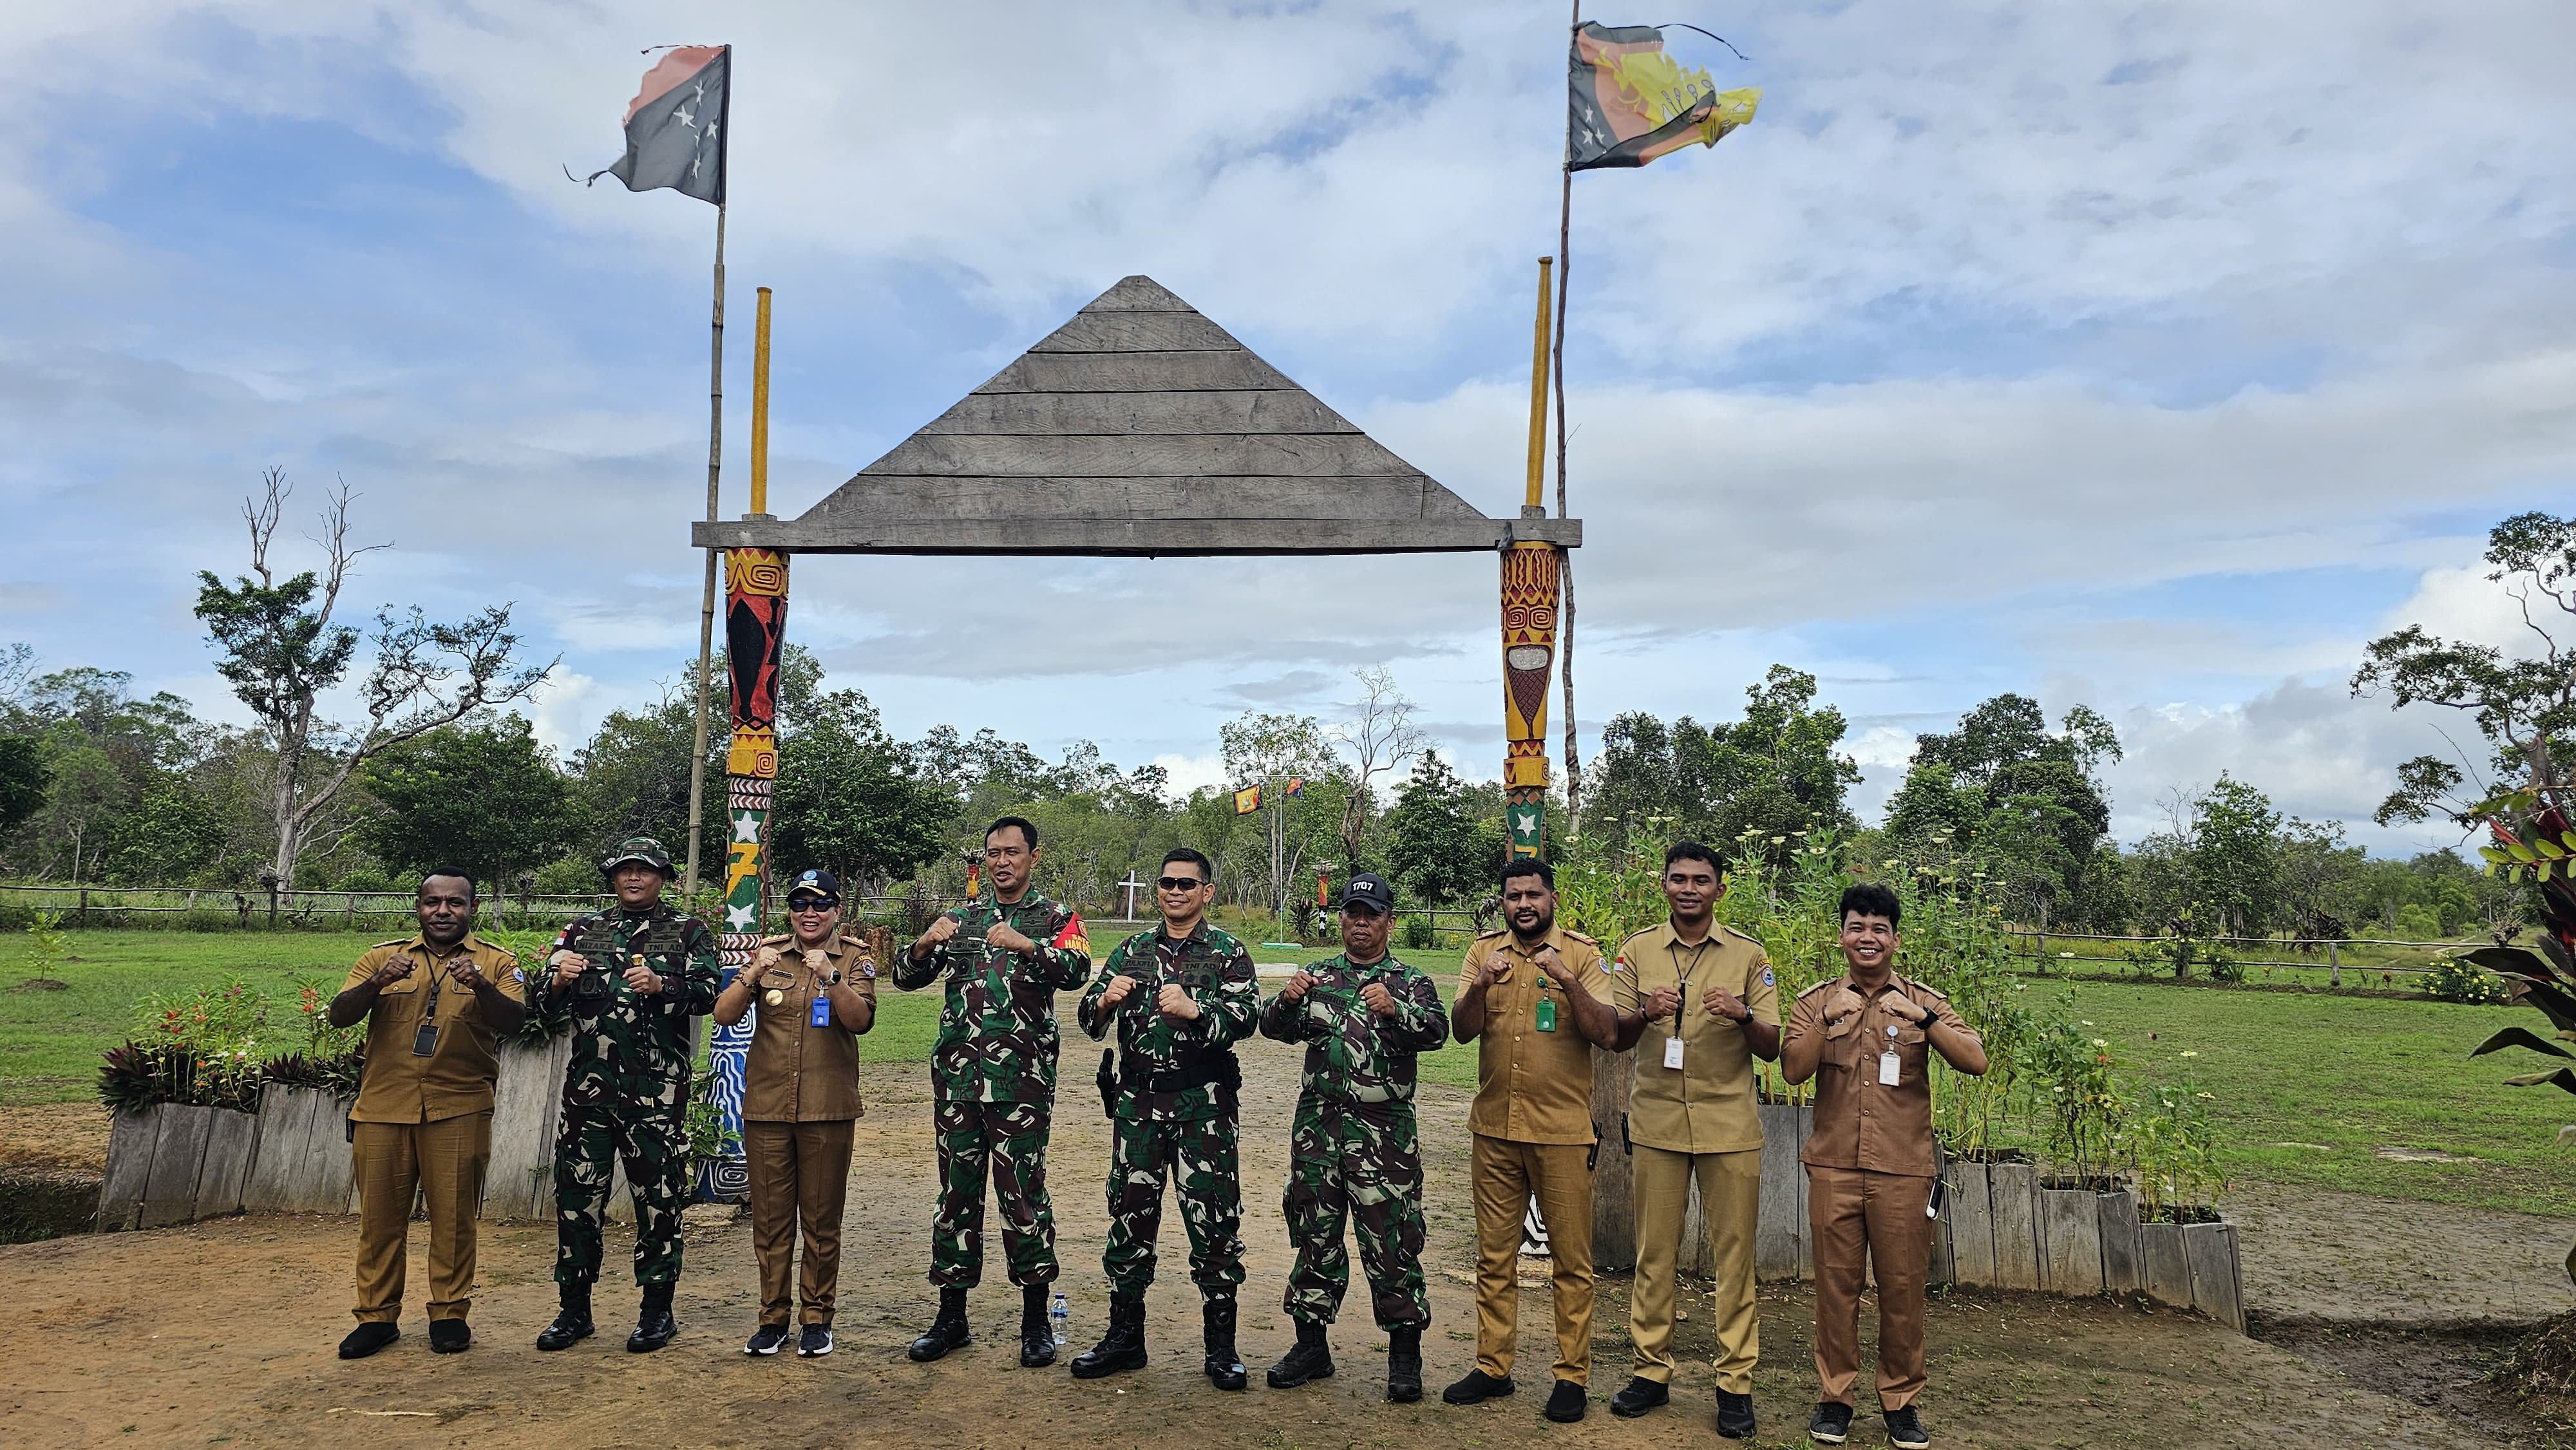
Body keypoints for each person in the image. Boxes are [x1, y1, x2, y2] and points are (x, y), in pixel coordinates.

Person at [1781, 882, 1988, 1450]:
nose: (1867, 937)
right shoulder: (1816, 1001)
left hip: (1904, 1170)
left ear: (1896, 939)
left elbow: (1976, 1060)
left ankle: (1900, 1402)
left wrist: (1924, 1019)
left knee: (1902, 1290)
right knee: (1835, 1289)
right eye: (1857, 926)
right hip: (1835, 1168)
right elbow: (1792, 1070)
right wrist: (1826, 1021)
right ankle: (1834, 1400)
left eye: (1879, 928)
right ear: (1842, 935)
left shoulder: (1924, 1000)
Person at [896, 815, 1094, 1368]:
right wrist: (921, 945)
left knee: (1022, 1196)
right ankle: (951, 1316)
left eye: (1011, 852)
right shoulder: (961, 920)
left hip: (1020, 1086)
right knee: (957, 1197)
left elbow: (1077, 970)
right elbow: (905, 979)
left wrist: (1028, 945)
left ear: (1034, 856)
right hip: (958, 1081)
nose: (1001, 861)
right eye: (993, 853)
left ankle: (1035, 1320)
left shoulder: (1057, 917)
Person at [1604, 841, 1780, 1436]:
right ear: (1664, 885)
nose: (1688, 889)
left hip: (1729, 1125)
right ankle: (1651, 1372)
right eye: (1678, 879)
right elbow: (1615, 1036)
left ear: (1719, 889)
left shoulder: (1750, 957)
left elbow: (1774, 1046)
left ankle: (1735, 1384)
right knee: (1655, 1254)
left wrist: (1743, 1015)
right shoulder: (1636, 952)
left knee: (1735, 1259)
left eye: (1701, 880)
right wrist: (1644, 1014)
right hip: (1656, 1123)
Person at [1068, 847, 1260, 1388]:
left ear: (1207, 892)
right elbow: (1088, 1020)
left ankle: (1221, 1348)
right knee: (1129, 1219)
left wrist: (1198, 1011)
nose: (1175, 892)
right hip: (1138, 1108)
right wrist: (1105, 1001)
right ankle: (1126, 1338)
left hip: (1203, 1108)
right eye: (1167, 883)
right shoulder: (1132, 950)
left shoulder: (1226, 952)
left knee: (1215, 1223)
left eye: (1186, 884)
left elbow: (1248, 1017)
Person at [527, 836, 723, 1354]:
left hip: (655, 1097)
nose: (634, 879)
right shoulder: (581, 931)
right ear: (612, 877)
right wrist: (558, 980)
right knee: (576, 1202)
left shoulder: (688, 931)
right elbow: (539, 1006)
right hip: (588, 1099)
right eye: (624, 871)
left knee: (658, 1202)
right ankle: (574, 1311)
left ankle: (657, 1313)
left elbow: (712, 993)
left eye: (645, 871)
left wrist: (665, 987)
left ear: (664, 877)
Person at [1258, 872, 1449, 1402]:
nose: (1360, 923)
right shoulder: (1317, 975)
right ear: (1340, 918)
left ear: (1389, 921)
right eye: (1352, 913)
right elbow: (1271, 1028)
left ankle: (1405, 1358)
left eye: (1371, 914)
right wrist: (1287, 999)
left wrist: (1397, 1010)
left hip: (1385, 1133)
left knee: (1392, 1244)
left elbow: (1439, 1031)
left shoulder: (1408, 980)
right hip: (1319, 1128)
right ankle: (1311, 1347)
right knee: (1314, 1235)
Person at [1443, 858, 1618, 1424]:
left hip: (1562, 1133)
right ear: (1502, 902)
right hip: (1494, 1129)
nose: (1524, 904)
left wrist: (1566, 979)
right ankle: (1493, 1366)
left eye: (1533, 895)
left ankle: (1572, 1376)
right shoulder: (1483, 953)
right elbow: (1463, 1029)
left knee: (1571, 1260)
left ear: (1553, 899)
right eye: (1514, 895)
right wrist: (1479, 985)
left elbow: (1607, 1032)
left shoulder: (1585, 956)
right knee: (1494, 1257)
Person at [327, 870, 527, 1358]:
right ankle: (376, 1318)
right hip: (384, 1108)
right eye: (433, 902)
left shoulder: (497, 963)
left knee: (454, 1217)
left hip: (459, 1107)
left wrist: (480, 986)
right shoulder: (382, 957)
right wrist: (378, 983)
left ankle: (449, 1313)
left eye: (455, 903)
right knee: (380, 1220)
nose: (443, 911)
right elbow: (339, 1014)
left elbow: (516, 1022)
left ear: (471, 907)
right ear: (418, 906)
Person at [712, 867, 878, 1359]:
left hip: (827, 1109)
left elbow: (861, 1021)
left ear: (836, 910)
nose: (809, 913)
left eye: (819, 904)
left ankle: (816, 1319)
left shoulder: (855, 957)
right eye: (800, 904)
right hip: (767, 1108)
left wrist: (830, 976)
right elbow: (724, 1015)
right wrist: (752, 972)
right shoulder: (771, 955)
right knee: (770, 1221)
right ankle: (772, 1319)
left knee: (822, 1221)